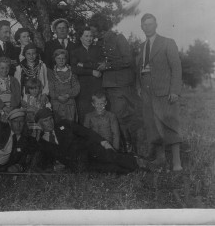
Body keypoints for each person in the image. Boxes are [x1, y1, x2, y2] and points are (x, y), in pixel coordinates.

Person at [34, 108, 145, 174]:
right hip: (79, 164)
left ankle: (140, 164)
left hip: (89, 150)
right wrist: (54, 167)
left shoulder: (64, 125)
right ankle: (135, 172)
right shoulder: (42, 144)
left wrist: (103, 142)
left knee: (111, 157)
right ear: (39, 124)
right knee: (108, 169)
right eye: (45, 121)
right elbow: (43, 163)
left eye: (50, 119)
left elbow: (86, 132)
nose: (50, 122)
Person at [137, 13, 183, 171]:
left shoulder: (167, 43)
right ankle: (160, 159)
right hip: (146, 90)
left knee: (170, 123)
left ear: (156, 25)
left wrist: (175, 90)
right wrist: (139, 88)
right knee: (152, 125)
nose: (147, 27)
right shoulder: (142, 46)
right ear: (141, 27)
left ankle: (177, 163)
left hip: (164, 91)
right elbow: (140, 69)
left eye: (150, 24)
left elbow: (176, 67)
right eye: (144, 24)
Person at [97, 25, 141, 153]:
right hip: (109, 85)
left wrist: (108, 66)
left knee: (122, 116)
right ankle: (124, 146)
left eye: (95, 29)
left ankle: (129, 145)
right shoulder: (100, 42)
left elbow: (128, 60)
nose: (94, 33)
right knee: (117, 116)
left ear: (102, 28)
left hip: (121, 85)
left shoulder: (118, 38)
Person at [71, 26, 103, 123]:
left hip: (98, 86)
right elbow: (74, 69)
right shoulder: (75, 52)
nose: (89, 38)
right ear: (81, 38)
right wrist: (91, 71)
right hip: (83, 88)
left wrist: (83, 65)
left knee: (99, 113)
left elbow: (100, 65)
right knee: (84, 114)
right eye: (86, 36)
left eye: (91, 36)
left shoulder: (98, 49)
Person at [0, 57, 21, 126]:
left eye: (7, 68)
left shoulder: (14, 81)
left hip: (12, 109)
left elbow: (17, 95)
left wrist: (12, 107)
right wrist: (3, 107)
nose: (4, 70)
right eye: (2, 68)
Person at [48, 49, 80, 122]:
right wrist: (58, 96)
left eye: (63, 58)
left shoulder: (72, 73)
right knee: (58, 124)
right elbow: (51, 89)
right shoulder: (52, 74)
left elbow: (76, 88)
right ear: (55, 59)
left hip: (69, 103)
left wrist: (68, 95)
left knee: (70, 124)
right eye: (58, 58)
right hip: (56, 104)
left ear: (66, 59)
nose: (61, 60)